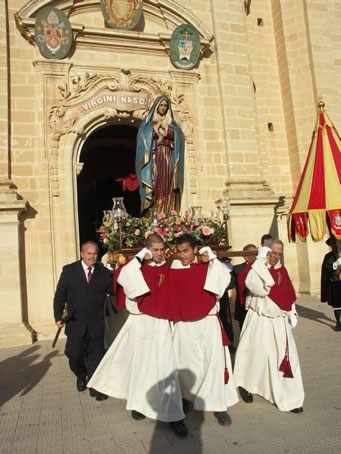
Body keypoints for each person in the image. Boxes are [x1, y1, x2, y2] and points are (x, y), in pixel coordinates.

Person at [87, 234, 186, 437]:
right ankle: (139, 405)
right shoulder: (136, 267)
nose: (159, 253)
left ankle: (175, 416)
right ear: (148, 249)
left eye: (161, 249)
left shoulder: (170, 266)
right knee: (140, 365)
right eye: (155, 250)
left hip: (161, 324)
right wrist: (140, 257)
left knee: (166, 366)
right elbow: (123, 277)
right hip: (141, 323)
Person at [166, 234, 239, 426]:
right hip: (183, 325)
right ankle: (185, 398)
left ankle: (218, 405)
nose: (182, 255)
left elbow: (224, 282)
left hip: (207, 323)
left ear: (195, 250)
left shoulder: (208, 268)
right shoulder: (172, 270)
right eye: (179, 251)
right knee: (184, 363)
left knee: (212, 363)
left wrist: (212, 257)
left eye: (186, 251)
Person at [234, 240, 305, 412]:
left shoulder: (282, 270)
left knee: (283, 358)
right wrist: (259, 263)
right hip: (258, 319)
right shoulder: (254, 269)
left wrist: (291, 312)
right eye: (273, 252)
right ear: (266, 252)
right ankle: (247, 385)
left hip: (278, 321)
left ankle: (289, 396)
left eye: (280, 253)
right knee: (254, 354)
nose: (276, 256)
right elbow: (257, 287)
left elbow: (288, 292)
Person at [53, 241, 114, 400]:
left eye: (95, 253)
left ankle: (96, 388)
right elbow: (60, 295)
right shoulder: (69, 271)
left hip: (96, 323)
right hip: (76, 322)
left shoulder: (104, 272)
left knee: (96, 356)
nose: (92, 257)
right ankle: (81, 374)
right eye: (89, 253)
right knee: (73, 354)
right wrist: (58, 316)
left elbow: (114, 291)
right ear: (82, 254)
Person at [135, 96, 185, 215]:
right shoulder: (148, 124)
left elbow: (179, 136)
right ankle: (155, 212)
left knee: (168, 184)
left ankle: (169, 212)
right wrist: (155, 129)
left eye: (165, 106)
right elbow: (142, 138)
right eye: (161, 105)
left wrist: (168, 130)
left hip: (168, 157)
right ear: (156, 107)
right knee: (156, 183)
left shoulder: (172, 124)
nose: (163, 108)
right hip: (155, 158)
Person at [233, 243, 257, 331]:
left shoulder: (262, 267)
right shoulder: (237, 269)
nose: (256, 256)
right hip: (242, 307)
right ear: (246, 256)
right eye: (253, 254)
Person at [321, 235, 341, 331]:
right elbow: (326, 270)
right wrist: (334, 264)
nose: (336, 246)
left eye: (338, 243)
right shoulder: (328, 256)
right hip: (334, 283)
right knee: (337, 305)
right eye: (333, 244)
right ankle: (338, 322)